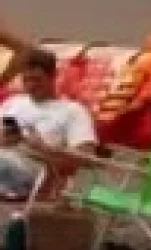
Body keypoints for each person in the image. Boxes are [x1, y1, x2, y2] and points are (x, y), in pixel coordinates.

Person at [0, 48, 97, 198]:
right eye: (26, 80)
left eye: (37, 79)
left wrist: (42, 149)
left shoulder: (73, 111)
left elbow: (86, 158)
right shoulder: (13, 103)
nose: (31, 86)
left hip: (31, 175)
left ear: (53, 76)